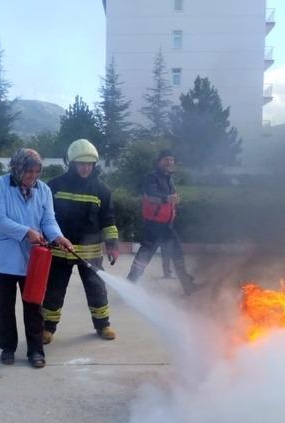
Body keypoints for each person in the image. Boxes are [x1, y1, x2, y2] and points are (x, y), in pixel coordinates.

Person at [0, 148, 73, 368]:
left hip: (32, 261)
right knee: (4, 306)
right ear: (17, 168)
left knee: (34, 305)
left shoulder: (43, 190)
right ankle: (7, 348)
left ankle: (35, 350)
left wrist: (59, 237)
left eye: (37, 171)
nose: (33, 176)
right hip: (2, 259)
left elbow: (48, 221)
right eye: (28, 171)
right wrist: (26, 232)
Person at [42, 139, 119, 343]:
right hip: (60, 251)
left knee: (96, 289)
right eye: (81, 163)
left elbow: (108, 220)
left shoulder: (102, 190)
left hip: (90, 252)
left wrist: (112, 245)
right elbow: (44, 216)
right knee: (54, 291)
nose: (85, 168)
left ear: (94, 164)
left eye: (89, 164)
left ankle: (103, 325)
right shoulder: (55, 186)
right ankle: (47, 328)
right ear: (71, 163)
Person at [126, 149, 200, 295]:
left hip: (167, 225)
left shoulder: (169, 178)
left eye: (171, 160)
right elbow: (151, 195)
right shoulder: (152, 177)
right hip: (153, 225)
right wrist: (168, 198)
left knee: (177, 252)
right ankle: (129, 284)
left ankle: (187, 286)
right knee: (145, 255)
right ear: (159, 161)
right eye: (166, 159)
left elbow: (170, 198)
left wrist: (174, 201)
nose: (169, 162)